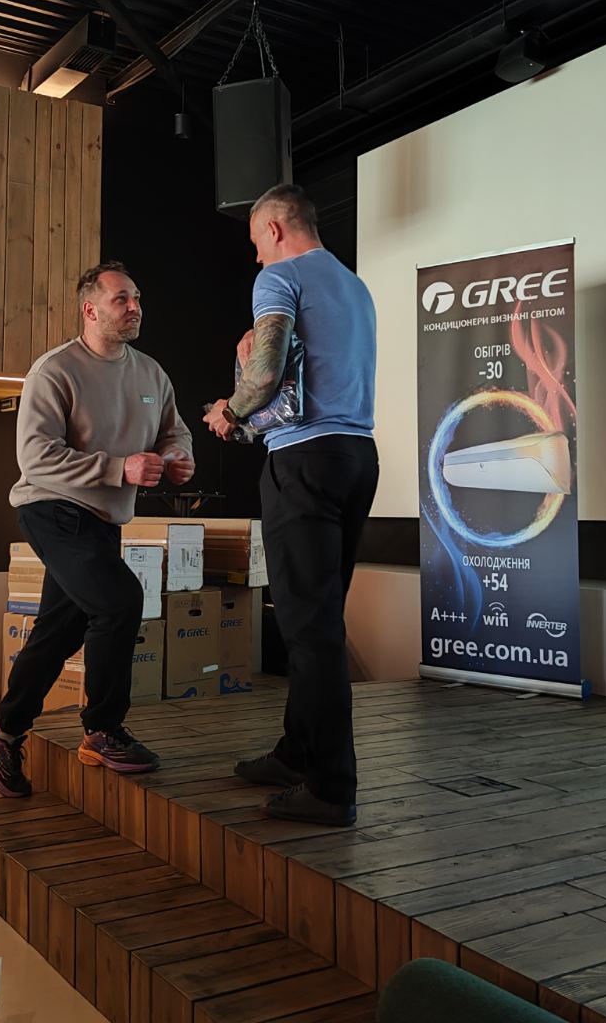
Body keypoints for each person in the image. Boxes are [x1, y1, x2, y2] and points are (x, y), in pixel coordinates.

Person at [0, 261, 194, 797]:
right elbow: (36, 456)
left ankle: (4, 734)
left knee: (60, 630)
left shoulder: (151, 374)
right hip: (51, 508)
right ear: (89, 310)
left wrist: (178, 457)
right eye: (122, 299)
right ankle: (102, 730)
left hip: (101, 519)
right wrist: (119, 468)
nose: (135, 307)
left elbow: (174, 431)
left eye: (137, 297)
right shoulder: (54, 371)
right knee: (120, 601)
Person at [204, 184, 379, 826]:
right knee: (319, 620)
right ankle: (297, 752)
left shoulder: (279, 277)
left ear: (276, 229)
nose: (256, 257)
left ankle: (331, 788)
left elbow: (265, 374)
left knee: (310, 630)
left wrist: (229, 412)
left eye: (256, 241)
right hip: (356, 458)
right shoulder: (355, 287)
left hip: (303, 463)